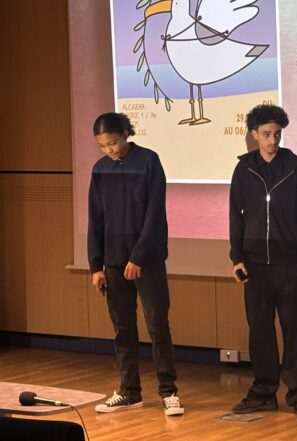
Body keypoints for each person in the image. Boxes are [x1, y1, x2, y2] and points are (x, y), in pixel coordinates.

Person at [87, 112, 184, 416]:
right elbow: (96, 219)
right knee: (123, 328)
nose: (110, 150)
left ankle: (169, 391)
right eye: (103, 146)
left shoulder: (148, 161)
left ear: (126, 133)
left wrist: (138, 256)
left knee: (157, 326)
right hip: (114, 262)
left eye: (113, 143)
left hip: (147, 260)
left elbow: (154, 215)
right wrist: (96, 266)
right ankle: (129, 391)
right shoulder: (100, 169)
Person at [229, 104, 297, 419]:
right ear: (254, 134)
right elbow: (236, 215)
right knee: (260, 332)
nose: (272, 141)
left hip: (289, 266)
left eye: (277, 134)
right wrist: (237, 257)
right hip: (254, 266)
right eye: (266, 134)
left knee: (294, 332)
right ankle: (263, 392)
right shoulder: (244, 169)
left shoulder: (296, 168)